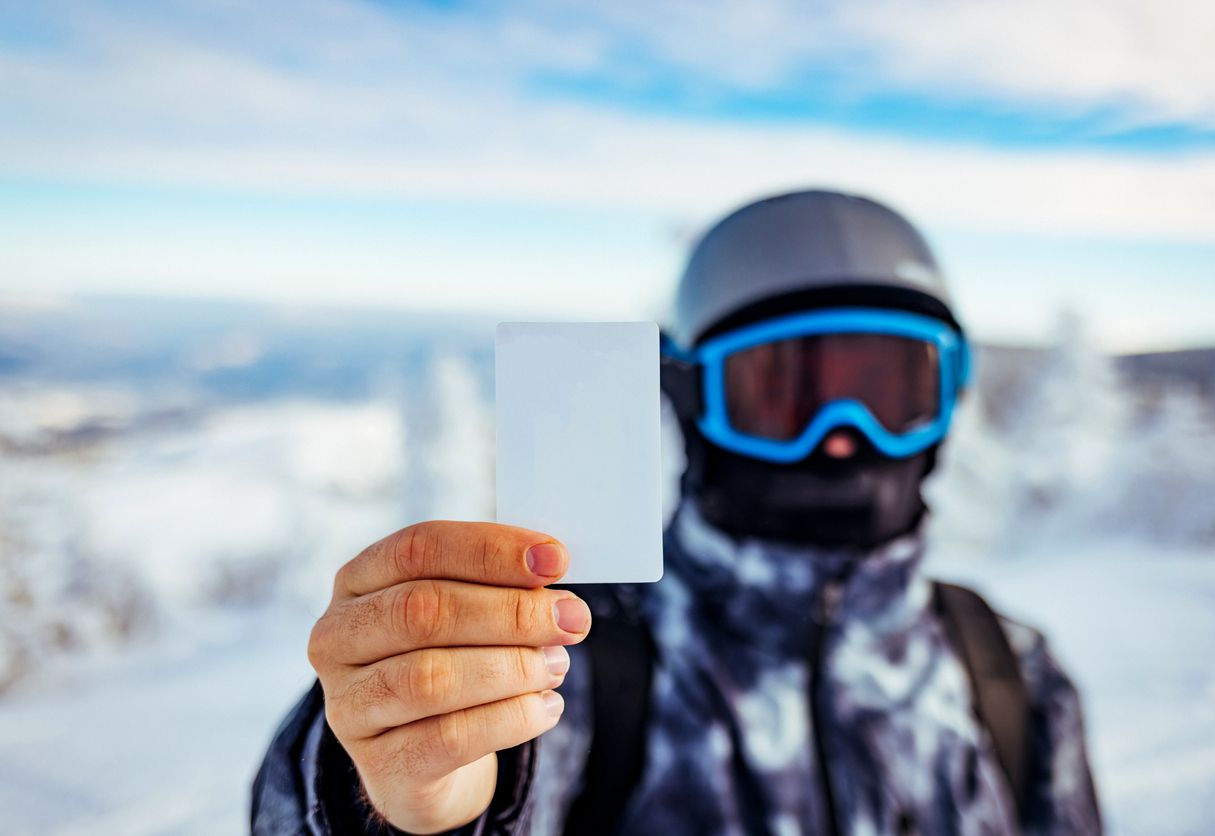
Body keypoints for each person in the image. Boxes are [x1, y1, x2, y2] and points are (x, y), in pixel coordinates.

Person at [252, 189, 1102, 835]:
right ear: (691, 399)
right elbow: (440, 783)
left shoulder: (1011, 675)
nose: (842, 438)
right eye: (781, 392)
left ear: (947, 397)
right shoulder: (574, 655)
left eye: (887, 390)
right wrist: (400, 790)